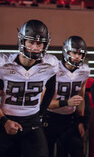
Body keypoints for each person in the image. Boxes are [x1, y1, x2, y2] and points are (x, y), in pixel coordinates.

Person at [0, 19, 58, 157]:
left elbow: (50, 92)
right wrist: (4, 121)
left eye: (39, 43)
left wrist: (40, 114)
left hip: (32, 120)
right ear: (22, 41)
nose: (35, 47)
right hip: (5, 119)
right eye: (31, 42)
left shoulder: (50, 65)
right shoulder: (4, 66)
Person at [43, 36, 90, 157]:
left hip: (69, 120)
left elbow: (81, 97)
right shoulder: (53, 69)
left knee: (77, 150)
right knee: (45, 152)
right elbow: (44, 103)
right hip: (50, 118)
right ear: (66, 51)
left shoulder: (84, 71)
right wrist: (66, 103)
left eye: (80, 54)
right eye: (74, 52)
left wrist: (80, 121)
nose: (77, 57)